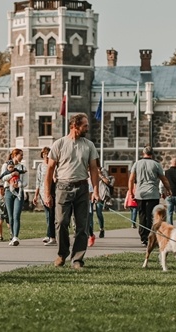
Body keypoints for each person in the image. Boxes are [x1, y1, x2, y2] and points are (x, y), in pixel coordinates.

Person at [44, 113, 101, 269]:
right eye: (85, 125)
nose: (88, 128)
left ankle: (77, 259)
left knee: (82, 226)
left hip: (82, 187)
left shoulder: (89, 145)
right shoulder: (59, 144)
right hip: (63, 187)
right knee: (61, 222)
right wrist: (47, 193)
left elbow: (94, 169)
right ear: (74, 126)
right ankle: (62, 254)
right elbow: (49, 170)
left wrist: (95, 191)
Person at [128, 146, 171, 247]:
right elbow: (164, 179)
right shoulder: (156, 164)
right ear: (152, 154)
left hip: (140, 193)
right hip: (152, 193)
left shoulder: (137, 164)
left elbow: (131, 179)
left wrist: (131, 192)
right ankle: (151, 237)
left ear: (143, 153)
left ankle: (143, 237)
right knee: (152, 217)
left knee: (142, 215)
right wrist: (168, 190)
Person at [0, 148, 26, 246]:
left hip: (19, 192)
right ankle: (12, 234)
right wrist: (12, 174)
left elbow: (26, 182)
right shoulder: (6, 165)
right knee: (10, 216)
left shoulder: (22, 167)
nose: (22, 157)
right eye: (21, 155)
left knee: (16, 215)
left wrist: (19, 185)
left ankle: (15, 237)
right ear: (15, 155)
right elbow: (2, 178)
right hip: (8, 192)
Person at [32, 147, 56, 246]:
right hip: (42, 193)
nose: (46, 156)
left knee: (51, 214)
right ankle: (49, 234)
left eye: (47, 154)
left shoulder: (54, 165)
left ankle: (51, 236)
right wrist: (36, 195)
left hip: (52, 191)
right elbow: (38, 181)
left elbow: (55, 178)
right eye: (44, 154)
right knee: (47, 215)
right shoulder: (40, 166)